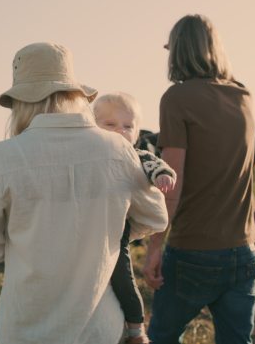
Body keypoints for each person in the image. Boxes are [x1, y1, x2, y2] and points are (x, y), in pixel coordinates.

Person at [0, 42, 169, 344]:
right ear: (75, 94)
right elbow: (155, 218)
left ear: (20, 101)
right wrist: (103, 234)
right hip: (99, 326)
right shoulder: (119, 149)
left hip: (25, 327)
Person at [143, 15, 255, 344]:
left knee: (162, 337)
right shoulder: (244, 97)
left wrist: (155, 246)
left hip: (192, 251)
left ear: (176, 52)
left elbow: (171, 182)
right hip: (244, 250)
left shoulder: (177, 99)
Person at [93, 92, 176, 344]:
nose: (120, 131)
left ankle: (136, 328)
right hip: (88, 229)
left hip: (118, 231)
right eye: (110, 125)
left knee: (123, 278)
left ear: (137, 132)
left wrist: (163, 176)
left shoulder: (136, 155)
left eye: (128, 126)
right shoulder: (89, 154)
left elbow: (158, 165)